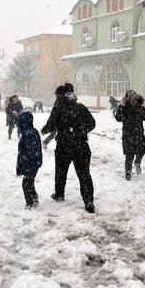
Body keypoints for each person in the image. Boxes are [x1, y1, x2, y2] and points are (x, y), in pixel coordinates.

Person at [41, 83, 96, 213]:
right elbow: (92, 124)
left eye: (56, 96)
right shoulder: (81, 107)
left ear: (61, 96)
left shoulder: (58, 108)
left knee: (61, 171)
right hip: (81, 146)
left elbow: (50, 125)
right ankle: (88, 201)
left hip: (64, 146)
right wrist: (81, 132)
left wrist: (44, 130)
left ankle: (59, 195)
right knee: (84, 174)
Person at [115, 90, 145, 181]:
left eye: (135, 98)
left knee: (141, 151)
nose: (134, 100)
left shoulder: (141, 108)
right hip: (128, 135)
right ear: (127, 100)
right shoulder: (124, 108)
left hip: (139, 134)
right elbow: (118, 118)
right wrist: (121, 106)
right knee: (129, 155)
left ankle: (137, 163)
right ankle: (128, 172)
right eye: (131, 99)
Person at [16, 111, 43, 210]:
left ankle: (30, 203)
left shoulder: (28, 134)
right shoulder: (31, 131)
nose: (17, 125)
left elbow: (29, 151)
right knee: (30, 182)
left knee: (26, 183)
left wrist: (25, 163)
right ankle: (34, 197)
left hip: (30, 163)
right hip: (34, 162)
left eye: (18, 122)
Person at [42, 85, 68, 149]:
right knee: (54, 134)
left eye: (57, 94)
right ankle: (45, 142)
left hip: (63, 122)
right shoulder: (58, 102)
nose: (56, 96)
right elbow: (53, 113)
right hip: (56, 121)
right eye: (56, 95)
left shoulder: (66, 101)